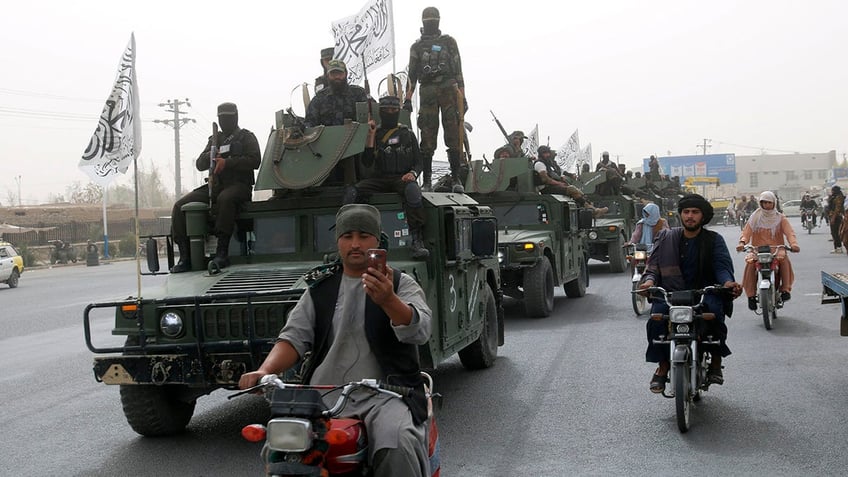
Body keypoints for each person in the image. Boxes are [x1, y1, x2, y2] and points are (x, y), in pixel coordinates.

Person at [238, 204, 432, 477]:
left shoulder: (400, 284)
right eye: (347, 236)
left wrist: (389, 301)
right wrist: (265, 370)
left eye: (364, 236)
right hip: (322, 396)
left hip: (386, 394)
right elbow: (293, 337)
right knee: (280, 447)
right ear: (338, 241)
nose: (355, 244)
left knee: (396, 443)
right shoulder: (320, 288)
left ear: (378, 241)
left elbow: (420, 330)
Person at [638, 194, 742, 392]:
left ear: (703, 216)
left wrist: (728, 283)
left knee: (714, 314)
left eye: (695, 212)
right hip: (671, 294)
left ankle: (716, 362)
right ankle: (663, 366)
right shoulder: (666, 237)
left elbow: (722, 267)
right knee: (656, 319)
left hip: (705, 292)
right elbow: (653, 267)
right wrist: (649, 282)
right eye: (686, 212)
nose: (690, 216)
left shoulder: (714, 240)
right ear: (680, 215)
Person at [170, 102, 261, 273]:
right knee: (180, 206)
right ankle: (185, 256)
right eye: (222, 118)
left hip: (239, 186)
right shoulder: (214, 139)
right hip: (216, 185)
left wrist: (228, 162)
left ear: (236, 117)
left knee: (225, 199)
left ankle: (222, 252)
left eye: (228, 117)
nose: (225, 121)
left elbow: (255, 160)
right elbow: (199, 164)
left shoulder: (246, 137)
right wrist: (211, 155)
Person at [344, 96, 430, 259]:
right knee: (352, 192)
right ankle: (347, 235)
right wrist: (370, 136)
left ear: (398, 112)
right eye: (386, 111)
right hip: (379, 179)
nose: (390, 113)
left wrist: (413, 173)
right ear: (380, 112)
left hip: (401, 179)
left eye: (394, 110)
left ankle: (417, 240)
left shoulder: (407, 134)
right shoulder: (375, 133)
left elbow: (419, 162)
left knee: (413, 192)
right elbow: (367, 162)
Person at [405, 6, 467, 192]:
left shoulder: (449, 42)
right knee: (427, 134)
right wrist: (407, 98)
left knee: (453, 134)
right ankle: (427, 181)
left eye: (434, 20)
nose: (431, 23)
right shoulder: (416, 46)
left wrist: (462, 97)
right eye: (428, 20)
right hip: (428, 92)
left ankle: (456, 179)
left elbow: (458, 71)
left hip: (449, 90)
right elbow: (412, 75)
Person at [736, 191, 800, 310]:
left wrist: (794, 244)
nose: (766, 205)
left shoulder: (780, 218)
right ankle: (750, 296)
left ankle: (785, 289)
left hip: (777, 249)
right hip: (757, 250)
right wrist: (742, 242)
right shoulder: (755, 217)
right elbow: (746, 232)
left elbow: (790, 233)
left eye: (769, 202)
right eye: (763, 202)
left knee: (784, 260)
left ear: (774, 203)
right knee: (750, 264)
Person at [534, 145, 607, 217]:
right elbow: (545, 179)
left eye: (548, 153)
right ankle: (592, 209)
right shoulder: (539, 164)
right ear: (540, 154)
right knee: (572, 189)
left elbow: (558, 172)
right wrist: (559, 183)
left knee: (577, 192)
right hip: (546, 188)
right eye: (545, 153)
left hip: (552, 186)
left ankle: (592, 209)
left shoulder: (549, 164)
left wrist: (564, 178)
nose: (547, 155)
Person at [304, 59, 369, 128]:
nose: (337, 77)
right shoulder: (320, 98)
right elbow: (309, 123)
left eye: (340, 73)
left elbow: (371, 117)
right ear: (327, 75)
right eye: (333, 74)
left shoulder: (358, 93)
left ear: (346, 74)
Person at [828, 185, 845, 252]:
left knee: (836, 232)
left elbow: (837, 208)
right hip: (832, 215)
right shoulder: (834, 196)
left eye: (832, 190)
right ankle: (836, 247)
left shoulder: (839, 197)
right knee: (833, 232)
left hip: (836, 216)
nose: (831, 191)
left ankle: (839, 247)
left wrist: (833, 218)